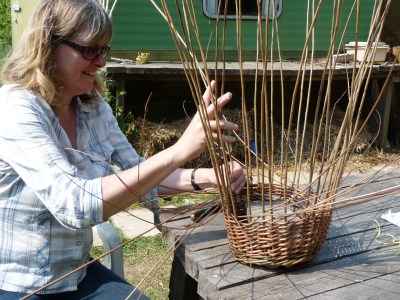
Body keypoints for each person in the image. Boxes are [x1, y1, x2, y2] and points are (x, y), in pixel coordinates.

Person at [0, 0, 246, 299]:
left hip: (76, 272)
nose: (101, 61)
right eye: (90, 49)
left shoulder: (90, 105)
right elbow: (73, 206)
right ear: (48, 45)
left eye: (104, 50)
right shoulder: (16, 108)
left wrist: (210, 176)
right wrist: (180, 150)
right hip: (20, 285)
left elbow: (137, 175)